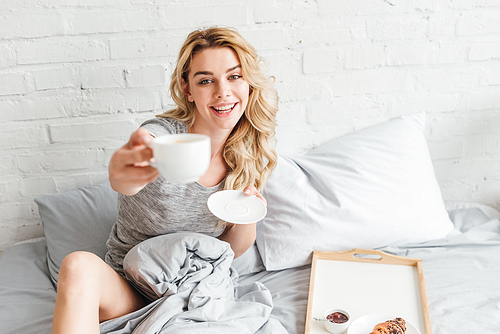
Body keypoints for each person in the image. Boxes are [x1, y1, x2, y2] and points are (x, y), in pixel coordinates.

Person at [51, 26, 279, 334]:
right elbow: (126, 176)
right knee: (77, 265)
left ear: (248, 82)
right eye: (206, 80)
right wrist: (124, 170)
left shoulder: (246, 153)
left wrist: (248, 214)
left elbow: (231, 249)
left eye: (234, 76)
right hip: (131, 289)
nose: (222, 91)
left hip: (192, 289)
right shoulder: (163, 137)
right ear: (188, 88)